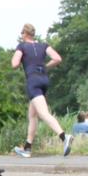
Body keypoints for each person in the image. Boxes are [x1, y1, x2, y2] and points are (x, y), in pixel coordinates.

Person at [11, 24, 73, 157]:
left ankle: (64, 137)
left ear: (25, 34)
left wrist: (18, 58)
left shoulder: (21, 46)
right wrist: (45, 66)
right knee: (32, 115)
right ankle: (27, 148)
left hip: (33, 81)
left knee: (43, 113)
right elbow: (57, 58)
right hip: (44, 80)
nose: (21, 36)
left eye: (22, 34)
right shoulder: (43, 45)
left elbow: (14, 64)